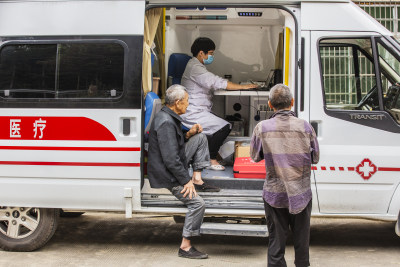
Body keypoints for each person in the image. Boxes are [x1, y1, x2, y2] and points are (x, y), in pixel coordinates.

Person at [250, 84, 320, 267]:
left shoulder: (262, 128)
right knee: (302, 243)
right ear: (292, 102)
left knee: (276, 243)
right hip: (301, 193)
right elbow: (316, 157)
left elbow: (255, 157)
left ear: (270, 104)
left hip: (274, 194)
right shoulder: (305, 127)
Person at [147, 85, 213, 260]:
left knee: (199, 138)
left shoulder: (168, 117)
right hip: (168, 174)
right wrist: (185, 180)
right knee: (198, 204)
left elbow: (174, 146)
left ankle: (197, 178)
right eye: (186, 102)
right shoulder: (166, 122)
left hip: (174, 164)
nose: (188, 105)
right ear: (177, 103)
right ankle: (185, 247)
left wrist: (188, 134)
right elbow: (170, 159)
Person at [181, 37, 258, 171]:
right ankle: (211, 159)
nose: (212, 56)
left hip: (199, 110)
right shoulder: (195, 68)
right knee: (224, 126)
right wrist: (243, 87)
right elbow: (216, 82)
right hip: (192, 113)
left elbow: (212, 81)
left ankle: (210, 155)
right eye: (210, 53)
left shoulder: (196, 66)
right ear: (201, 53)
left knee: (220, 122)